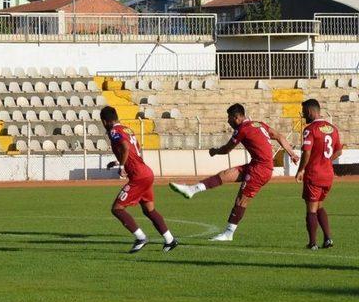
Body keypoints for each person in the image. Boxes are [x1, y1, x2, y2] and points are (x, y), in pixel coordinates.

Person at [169, 103, 299, 241]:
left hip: (260, 170)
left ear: (237, 117)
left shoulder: (242, 129)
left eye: (229, 118)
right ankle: (192, 189)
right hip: (256, 165)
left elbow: (226, 149)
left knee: (241, 200)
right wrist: (292, 153)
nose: (228, 121)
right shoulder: (259, 124)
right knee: (225, 174)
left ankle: (228, 233)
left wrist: (215, 151)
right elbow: (279, 136)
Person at [101, 106, 178, 253]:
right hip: (146, 172)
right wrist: (118, 162)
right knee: (149, 210)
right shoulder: (126, 129)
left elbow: (125, 147)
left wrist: (122, 166)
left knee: (117, 208)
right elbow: (133, 150)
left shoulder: (113, 131)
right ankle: (170, 240)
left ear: (105, 121)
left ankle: (141, 237)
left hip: (138, 176)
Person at [296, 99, 342, 250]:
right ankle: (328, 239)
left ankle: (312, 243)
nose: (303, 116)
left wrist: (301, 169)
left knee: (311, 209)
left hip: (314, 174)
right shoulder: (333, 128)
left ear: (310, 111)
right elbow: (339, 151)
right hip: (328, 175)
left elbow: (307, 152)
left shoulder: (310, 129)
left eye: (304, 112)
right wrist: (326, 160)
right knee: (320, 206)